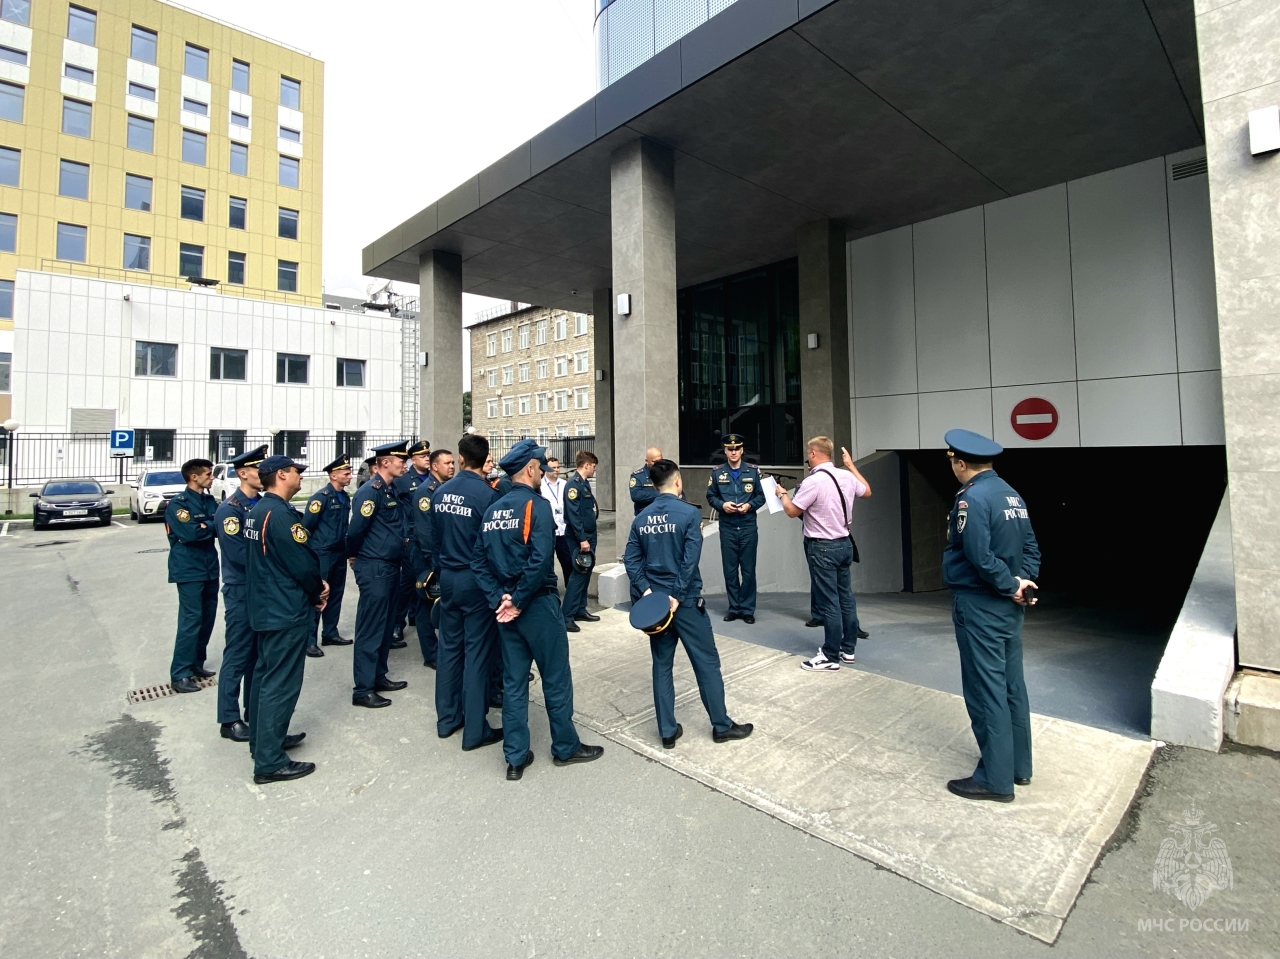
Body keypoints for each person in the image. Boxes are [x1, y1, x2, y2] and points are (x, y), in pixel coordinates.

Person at [473, 438, 605, 780]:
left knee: (514, 682)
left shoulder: (492, 510)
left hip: (506, 610)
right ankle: (565, 747)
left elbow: (478, 561)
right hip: (536, 605)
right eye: (539, 469)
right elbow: (539, 559)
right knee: (556, 677)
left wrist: (499, 599)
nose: (541, 474)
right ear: (530, 469)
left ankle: (515, 758)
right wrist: (516, 600)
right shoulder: (537, 506)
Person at [623, 458, 753, 748]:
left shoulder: (642, 518)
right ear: (678, 481)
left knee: (661, 665)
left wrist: (646, 592)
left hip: (657, 607)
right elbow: (690, 558)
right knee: (706, 663)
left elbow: (631, 559)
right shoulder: (689, 514)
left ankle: (667, 731)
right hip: (685, 603)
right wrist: (677, 595)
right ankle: (721, 725)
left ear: (655, 486)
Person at [941, 429, 1040, 803]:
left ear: (961, 463)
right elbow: (1030, 547)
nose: (952, 466)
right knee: (1012, 686)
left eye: (953, 461)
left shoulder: (973, 499)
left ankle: (995, 780)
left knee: (986, 690)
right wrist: (1021, 583)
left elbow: (979, 555)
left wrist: (1005, 584)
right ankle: (1018, 766)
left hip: (981, 603)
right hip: (1008, 607)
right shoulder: (1011, 494)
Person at [243, 455, 328, 784]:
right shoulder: (280, 516)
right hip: (285, 610)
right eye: (296, 472)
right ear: (281, 475)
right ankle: (269, 761)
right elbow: (303, 565)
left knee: (265, 678)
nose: (300, 476)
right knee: (280, 683)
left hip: (266, 607)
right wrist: (318, 589)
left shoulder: (259, 510)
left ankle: (263, 741)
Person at [429, 433, 503, 750]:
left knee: (448, 649)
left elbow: (434, 540)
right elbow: (493, 548)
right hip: (475, 581)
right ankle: (475, 729)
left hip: (448, 577)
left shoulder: (440, 493)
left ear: (460, 459)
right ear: (484, 458)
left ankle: (447, 720)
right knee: (476, 653)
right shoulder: (488, 497)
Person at [777, 436, 872, 672]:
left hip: (822, 547)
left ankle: (830, 655)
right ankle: (848, 649)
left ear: (812, 454)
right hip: (844, 544)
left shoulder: (814, 482)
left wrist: (782, 494)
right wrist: (850, 465)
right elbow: (867, 491)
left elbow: (791, 511)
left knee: (829, 601)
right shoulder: (846, 476)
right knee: (846, 598)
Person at [346, 441, 411, 708]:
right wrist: (354, 556)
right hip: (374, 565)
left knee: (384, 627)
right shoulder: (369, 492)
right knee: (371, 627)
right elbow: (356, 530)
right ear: (385, 462)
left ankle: (378, 676)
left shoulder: (390, 489)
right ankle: (363, 688)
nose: (404, 464)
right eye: (400, 460)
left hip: (390, 564)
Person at [213, 445, 267, 741]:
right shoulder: (230, 510)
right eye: (259, 470)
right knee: (237, 654)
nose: (264, 475)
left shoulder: (260, 505)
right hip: (241, 589)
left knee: (258, 655)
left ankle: (254, 711)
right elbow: (237, 556)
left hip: (260, 590)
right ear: (243, 473)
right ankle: (228, 718)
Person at [166, 458, 220, 693]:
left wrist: (206, 527)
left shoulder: (208, 500)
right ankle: (180, 674)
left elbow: (220, 526)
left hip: (209, 567)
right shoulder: (179, 504)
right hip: (189, 569)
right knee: (190, 620)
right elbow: (190, 534)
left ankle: (197, 663)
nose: (212, 477)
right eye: (208, 474)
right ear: (194, 477)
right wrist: (209, 527)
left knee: (207, 618)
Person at [705, 434, 766, 624]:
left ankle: (747, 609)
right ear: (725, 451)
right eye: (730, 449)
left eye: (737, 449)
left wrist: (750, 506)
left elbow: (761, 496)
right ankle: (734, 607)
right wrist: (722, 506)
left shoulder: (753, 471)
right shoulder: (717, 473)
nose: (733, 452)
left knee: (748, 570)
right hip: (728, 527)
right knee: (730, 570)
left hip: (747, 526)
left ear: (741, 450)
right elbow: (711, 496)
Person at [301, 454, 354, 657]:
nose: (350, 476)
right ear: (334, 475)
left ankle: (330, 632)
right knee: (319, 594)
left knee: (336, 594)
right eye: (346, 473)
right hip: (322, 553)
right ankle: (309, 640)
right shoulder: (320, 498)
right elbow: (306, 527)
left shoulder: (344, 497)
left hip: (339, 551)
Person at [409, 448, 455, 669]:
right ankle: (431, 654)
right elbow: (426, 532)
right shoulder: (426, 491)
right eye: (446, 463)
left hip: (441, 556)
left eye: (453, 462)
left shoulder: (446, 489)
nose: (452, 466)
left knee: (440, 603)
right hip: (427, 557)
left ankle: (443, 649)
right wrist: (435, 564)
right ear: (434, 467)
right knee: (426, 604)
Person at [391, 440, 432, 649]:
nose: (427, 458)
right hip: (412, 537)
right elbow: (396, 510)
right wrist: (403, 534)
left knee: (427, 579)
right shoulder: (404, 481)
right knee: (407, 583)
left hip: (430, 537)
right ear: (413, 459)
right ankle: (398, 622)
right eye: (423, 456)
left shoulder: (436, 479)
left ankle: (418, 615)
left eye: (428, 455)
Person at [561, 449, 599, 633]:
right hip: (580, 538)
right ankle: (567, 615)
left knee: (586, 572)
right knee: (578, 574)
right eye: (593, 466)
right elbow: (573, 515)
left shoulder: (584, 483)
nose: (594, 470)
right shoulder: (573, 485)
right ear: (586, 465)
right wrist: (582, 539)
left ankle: (580, 609)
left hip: (589, 535)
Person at [540, 456, 574, 588]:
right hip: (548, 531)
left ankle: (569, 589)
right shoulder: (540, 486)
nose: (556, 470)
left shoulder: (565, 484)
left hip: (563, 530)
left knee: (568, 562)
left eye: (558, 467)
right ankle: (551, 590)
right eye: (553, 467)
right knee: (548, 563)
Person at [629, 446, 663, 516]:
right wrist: (662, 494)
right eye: (654, 461)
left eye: (660, 461)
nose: (658, 464)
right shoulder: (638, 476)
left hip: (663, 515)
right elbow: (636, 495)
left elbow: (680, 495)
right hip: (645, 515)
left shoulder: (666, 473)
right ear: (647, 461)